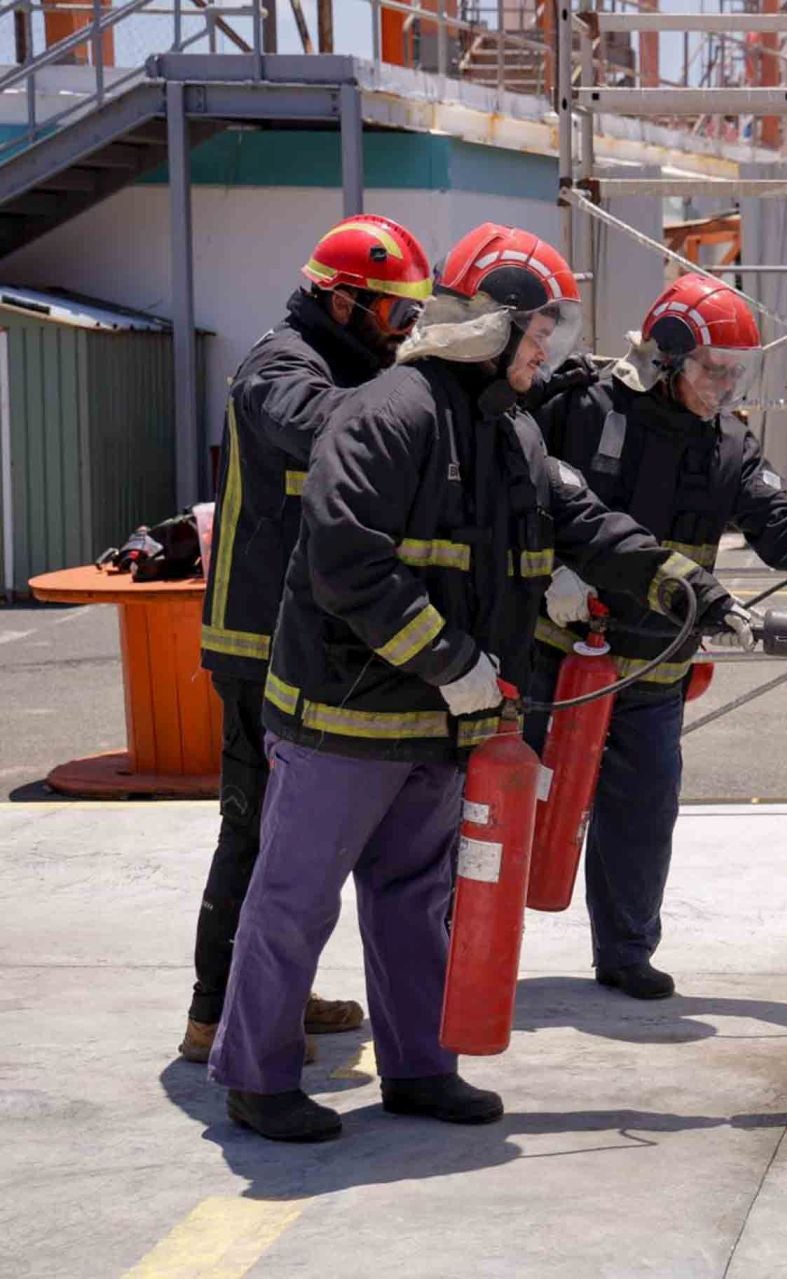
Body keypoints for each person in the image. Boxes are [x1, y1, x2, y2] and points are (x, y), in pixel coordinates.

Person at [208, 225, 748, 1143]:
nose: (547, 353)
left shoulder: (510, 433)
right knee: (296, 897)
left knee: (417, 901)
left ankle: (419, 1066)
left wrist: (681, 582)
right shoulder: (387, 412)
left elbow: (588, 522)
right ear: (487, 324)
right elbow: (346, 566)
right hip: (344, 718)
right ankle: (256, 1076)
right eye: (537, 334)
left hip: (433, 724)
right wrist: (453, 664)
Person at [528, 274, 787, 1000]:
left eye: (737, 372)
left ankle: (627, 949)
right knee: (519, 800)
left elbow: (776, 520)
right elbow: (521, 489)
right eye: (712, 369)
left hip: (656, 663)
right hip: (559, 655)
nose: (725, 387)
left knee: (643, 809)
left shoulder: (728, 442)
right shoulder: (584, 409)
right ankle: (467, 942)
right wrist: (547, 573)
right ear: (667, 357)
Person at [185, 214, 433, 1064]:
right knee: (255, 832)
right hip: (258, 643)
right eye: (396, 317)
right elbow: (330, 424)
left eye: (414, 320)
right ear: (342, 300)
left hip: (300, 637)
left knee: (300, 841)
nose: (404, 334)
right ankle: (215, 1015)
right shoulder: (282, 363)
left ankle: (273, 993)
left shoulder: (346, 359)